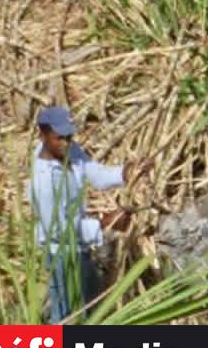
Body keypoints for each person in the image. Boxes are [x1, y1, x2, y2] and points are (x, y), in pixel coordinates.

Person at [27, 106, 152, 323]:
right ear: (43, 134)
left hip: (80, 249)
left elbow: (93, 172)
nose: (66, 143)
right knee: (67, 317)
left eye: (69, 137)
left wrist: (126, 172)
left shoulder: (67, 149)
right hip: (63, 257)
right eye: (59, 138)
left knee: (94, 303)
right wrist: (104, 224)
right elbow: (57, 231)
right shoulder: (43, 180)